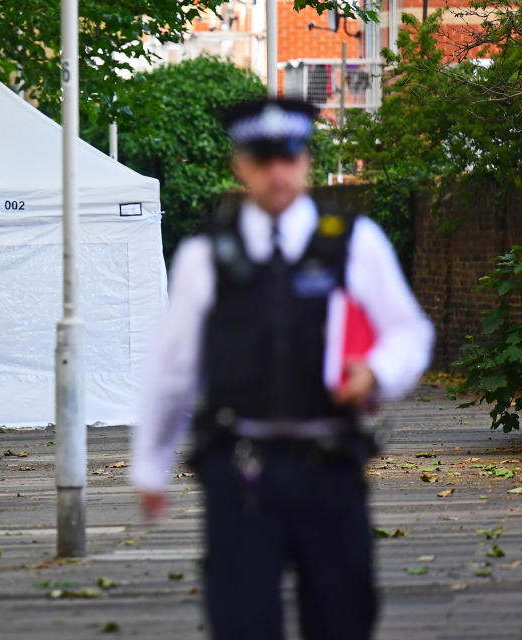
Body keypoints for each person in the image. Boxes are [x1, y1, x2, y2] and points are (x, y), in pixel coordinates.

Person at [131, 98, 434, 640]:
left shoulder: (351, 242)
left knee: (342, 616)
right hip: (241, 470)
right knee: (242, 621)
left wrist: (377, 371)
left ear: (307, 162)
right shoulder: (207, 254)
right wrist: (150, 465)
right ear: (239, 166)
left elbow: (410, 332)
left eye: (289, 155)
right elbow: (173, 367)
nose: (277, 170)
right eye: (262, 156)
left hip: (330, 465)